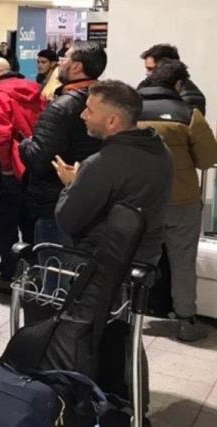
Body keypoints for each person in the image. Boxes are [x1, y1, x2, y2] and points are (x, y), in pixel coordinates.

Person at [53, 81, 172, 401]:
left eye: (90, 110)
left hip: (105, 268)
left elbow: (68, 219)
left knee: (91, 338)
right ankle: (131, 403)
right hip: (144, 262)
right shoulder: (160, 150)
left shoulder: (102, 165)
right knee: (125, 335)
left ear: (112, 121)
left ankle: (92, 404)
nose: (82, 115)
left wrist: (71, 184)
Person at [137, 59, 217, 341]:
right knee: (183, 262)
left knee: (134, 258)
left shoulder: (131, 109)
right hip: (181, 200)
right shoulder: (188, 113)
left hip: (138, 200)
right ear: (179, 84)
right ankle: (186, 322)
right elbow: (208, 158)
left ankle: (128, 315)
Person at [20, 42, 107, 247]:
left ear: (77, 66)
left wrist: (25, 143)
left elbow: (39, 159)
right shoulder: (106, 101)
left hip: (57, 204)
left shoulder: (62, 107)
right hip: (93, 199)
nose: (60, 63)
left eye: (64, 57)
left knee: (54, 263)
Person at [0, 58, 44, 293]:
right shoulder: (35, 90)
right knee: (30, 222)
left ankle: (8, 275)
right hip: (34, 163)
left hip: (11, 167)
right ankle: (35, 274)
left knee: (7, 224)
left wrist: (5, 165)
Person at [139, 43, 206, 115]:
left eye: (150, 69)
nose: (147, 73)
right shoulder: (143, 88)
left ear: (167, 66)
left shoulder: (190, 95)